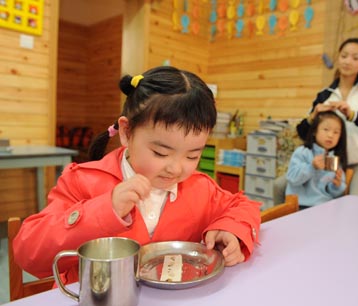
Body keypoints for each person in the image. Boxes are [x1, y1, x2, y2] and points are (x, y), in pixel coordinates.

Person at [13, 66, 261, 285]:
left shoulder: (199, 187)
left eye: (192, 156)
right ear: (126, 131)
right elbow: (29, 255)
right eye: (160, 152)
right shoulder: (82, 181)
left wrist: (231, 231)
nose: (176, 169)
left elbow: (242, 205)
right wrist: (103, 210)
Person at [274, 37, 358, 203]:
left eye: (355, 58)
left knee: (356, 203)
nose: (348, 61)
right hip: (326, 161)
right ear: (338, 58)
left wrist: (353, 115)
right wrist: (313, 116)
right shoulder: (324, 95)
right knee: (279, 186)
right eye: (344, 56)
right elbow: (304, 133)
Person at [286, 111, 347, 208]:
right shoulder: (303, 152)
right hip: (301, 205)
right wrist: (311, 167)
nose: (331, 135)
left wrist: (337, 185)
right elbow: (292, 178)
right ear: (314, 131)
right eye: (326, 129)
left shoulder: (334, 159)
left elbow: (334, 194)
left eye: (336, 132)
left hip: (325, 206)